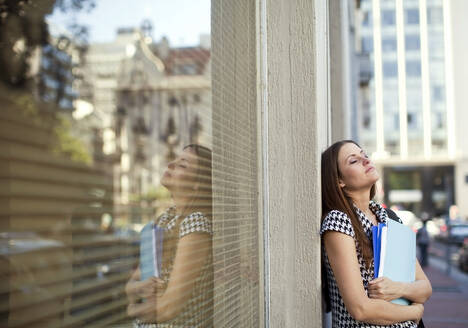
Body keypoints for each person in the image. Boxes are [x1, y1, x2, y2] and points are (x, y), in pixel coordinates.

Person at [320, 140, 432, 327]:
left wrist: (397, 288)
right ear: (339, 181)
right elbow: (360, 309)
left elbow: (425, 288)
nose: (365, 159)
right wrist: (414, 310)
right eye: (353, 161)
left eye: (364, 154)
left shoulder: (388, 218)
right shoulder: (338, 221)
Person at [125, 144, 213, 327]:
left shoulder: (195, 222)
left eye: (182, 165)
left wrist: (132, 311)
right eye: (175, 160)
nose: (171, 164)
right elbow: (132, 284)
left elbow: (168, 309)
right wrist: (140, 288)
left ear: (197, 184)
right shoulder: (165, 219)